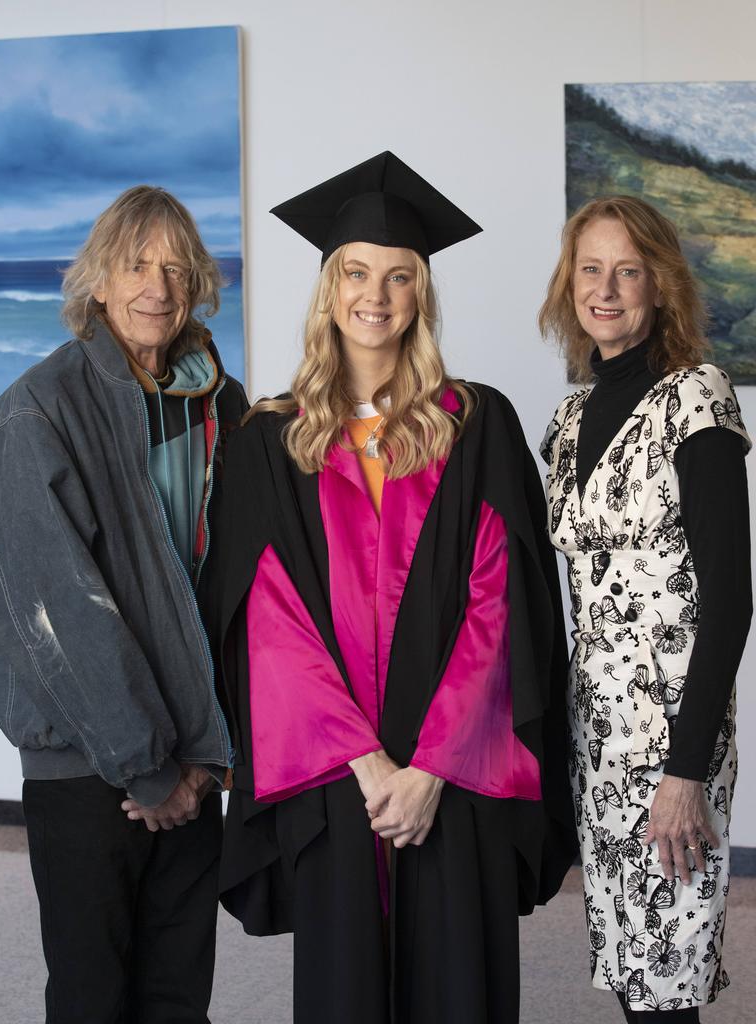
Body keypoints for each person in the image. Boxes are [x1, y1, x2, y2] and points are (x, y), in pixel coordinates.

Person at [199, 151, 577, 1024]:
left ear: (421, 295)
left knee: (459, 988)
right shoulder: (272, 439)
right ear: (331, 287)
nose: (377, 294)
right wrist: (366, 764)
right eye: (358, 273)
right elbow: (268, 616)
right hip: (339, 780)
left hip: (455, 772)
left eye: (399, 276)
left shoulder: (475, 424)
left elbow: (503, 602)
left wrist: (433, 767)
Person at [0, 185, 248, 1023]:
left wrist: (208, 757)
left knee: (178, 995)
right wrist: (147, 767)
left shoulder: (223, 407)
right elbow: (57, 612)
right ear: (97, 281)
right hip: (89, 767)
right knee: (95, 997)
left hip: (196, 760)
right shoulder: (37, 411)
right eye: (136, 264)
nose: (158, 286)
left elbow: (241, 587)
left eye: (177, 266)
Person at [538, 195, 751, 1021]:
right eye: (591, 269)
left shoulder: (697, 399)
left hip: (672, 739)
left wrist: (687, 770)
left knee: (670, 975)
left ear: (660, 285)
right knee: (633, 968)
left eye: (628, 270)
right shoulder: (566, 422)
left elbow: (731, 598)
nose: (607, 289)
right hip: (595, 734)